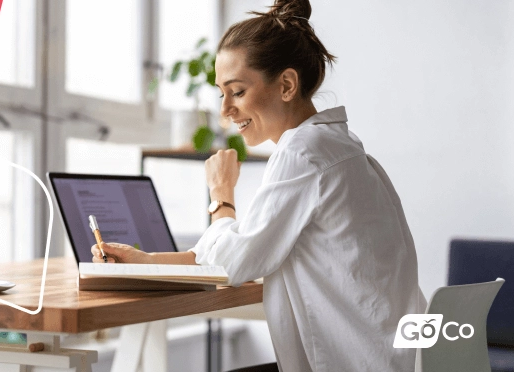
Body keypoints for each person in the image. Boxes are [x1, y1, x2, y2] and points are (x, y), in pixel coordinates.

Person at [91, 0, 426, 370]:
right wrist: (147, 261)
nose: (225, 110)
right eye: (221, 93)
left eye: (237, 91)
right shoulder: (339, 147)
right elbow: (241, 248)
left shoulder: (302, 153)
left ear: (286, 85)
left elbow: (232, 263)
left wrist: (221, 195)